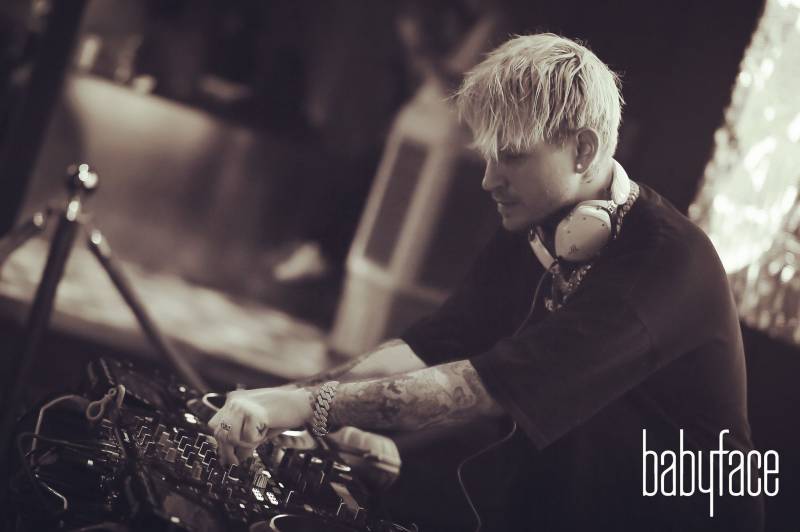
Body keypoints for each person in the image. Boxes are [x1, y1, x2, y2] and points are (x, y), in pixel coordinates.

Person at [209, 34, 764, 531]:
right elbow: (431, 346)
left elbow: (480, 389)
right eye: (488, 156)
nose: (488, 179)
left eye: (512, 157)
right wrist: (287, 399)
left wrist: (306, 408)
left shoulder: (664, 260)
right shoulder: (538, 226)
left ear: (584, 149)